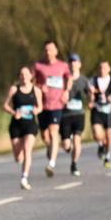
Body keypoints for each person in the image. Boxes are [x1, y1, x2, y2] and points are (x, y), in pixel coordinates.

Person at [33, 40, 72, 177]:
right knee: (45, 136)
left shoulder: (63, 66)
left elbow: (69, 78)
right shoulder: (38, 66)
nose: (48, 52)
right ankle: (51, 148)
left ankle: (52, 163)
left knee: (53, 130)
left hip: (57, 104)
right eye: (46, 50)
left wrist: (67, 91)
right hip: (43, 105)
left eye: (51, 49)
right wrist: (39, 87)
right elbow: (33, 82)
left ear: (56, 51)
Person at [3, 66, 43, 190]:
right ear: (19, 77)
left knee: (27, 150)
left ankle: (24, 177)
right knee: (18, 156)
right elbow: (5, 105)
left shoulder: (36, 90)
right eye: (21, 74)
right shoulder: (14, 89)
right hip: (16, 125)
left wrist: (37, 110)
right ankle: (21, 164)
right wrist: (14, 113)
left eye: (26, 74)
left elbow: (40, 106)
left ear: (31, 76)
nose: (24, 77)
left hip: (30, 124)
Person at [59, 53, 90, 176]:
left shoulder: (84, 80)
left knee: (77, 140)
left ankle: (74, 164)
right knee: (66, 145)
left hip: (79, 114)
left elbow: (89, 96)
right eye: (71, 62)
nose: (73, 64)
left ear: (79, 64)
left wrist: (91, 95)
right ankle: (68, 146)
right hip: (65, 114)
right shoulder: (63, 79)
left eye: (75, 61)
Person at [90, 60, 111, 169]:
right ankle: (101, 145)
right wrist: (91, 96)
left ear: (109, 69)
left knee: (109, 136)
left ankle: (108, 157)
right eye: (100, 67)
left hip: (108, 110)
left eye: (104, 67)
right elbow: (89, 98)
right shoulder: (93, 80)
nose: (102, 70)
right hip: (97, 110)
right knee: (97, 134)